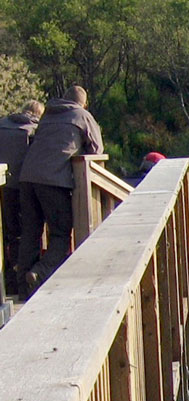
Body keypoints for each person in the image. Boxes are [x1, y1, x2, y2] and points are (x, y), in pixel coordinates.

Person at [16, 85, 104, 298]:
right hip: (53, 180)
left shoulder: (47, 114)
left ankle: (21, 288)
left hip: (27, 177)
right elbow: (97, 149)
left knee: (30, 232)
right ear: (83, 103)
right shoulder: (82, 116)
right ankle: (40, 272)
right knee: (61, 233)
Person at [0, 100, 44, 295]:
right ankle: (23, 282)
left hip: (2, 186)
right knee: (27, 233)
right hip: (23, 185)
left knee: (8, 234)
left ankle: (8, 280)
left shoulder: (3, 124)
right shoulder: (34, 130)